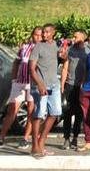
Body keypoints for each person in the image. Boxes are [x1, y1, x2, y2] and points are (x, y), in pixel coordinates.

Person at [0, 26, 40, 150]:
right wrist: (14, 78)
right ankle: (1, 138)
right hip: (20, 82)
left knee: (31, 112)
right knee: (12, 110)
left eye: (39, 35)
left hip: (32, 84)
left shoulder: (41, 50)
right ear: (32, 35)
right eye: (35, 35)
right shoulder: (24, 48)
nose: (37, 37)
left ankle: (26, 138)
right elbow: (16, 62)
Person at [27, 24, 61, 158]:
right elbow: (31, 68)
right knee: (39, 113)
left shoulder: (55, 46)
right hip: (41, 86)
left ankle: (42, 140)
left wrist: (63, 55)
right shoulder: (38, 47)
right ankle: (35, 144)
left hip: (54, 85)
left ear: (53, 32)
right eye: (43, 33)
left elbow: (58, 59)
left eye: (47, 32)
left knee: (55, 113)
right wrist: (40, 84)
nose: (44, 35)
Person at [60, 30, 87, 150]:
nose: (74, 38)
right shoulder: (70, 50)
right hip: (69, 85)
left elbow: (89, 70)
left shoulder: (88, 52)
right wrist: (62, 85)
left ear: (83, 38)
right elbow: (65, 68)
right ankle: (66, 138)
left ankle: (75, 138)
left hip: (81, 87)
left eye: (76, 37)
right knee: (67, 112)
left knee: (79, 114)